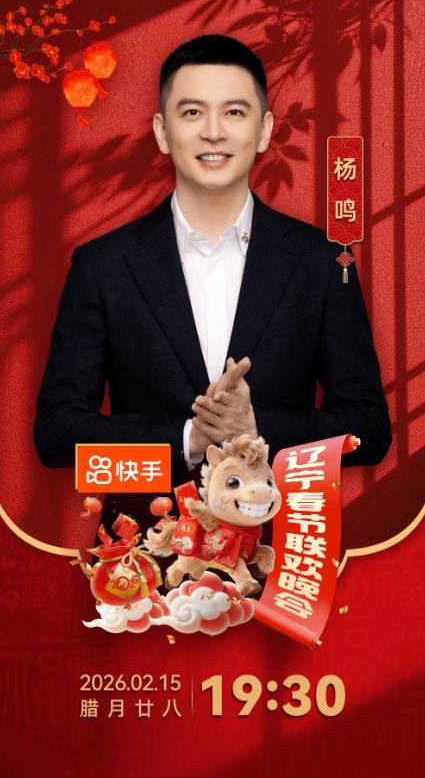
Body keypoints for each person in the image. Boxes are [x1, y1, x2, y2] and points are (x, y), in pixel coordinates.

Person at [34, 34, 391, 529]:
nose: (214, 132)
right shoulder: (103, 266)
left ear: (264, 131)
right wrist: (188, 439)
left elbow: (369, 430)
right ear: (162, 132)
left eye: (235, 112)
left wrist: (256, 428)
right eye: (192, 112)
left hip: (282, 551)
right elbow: (56, 436)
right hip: (142, 556)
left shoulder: (323, 262)